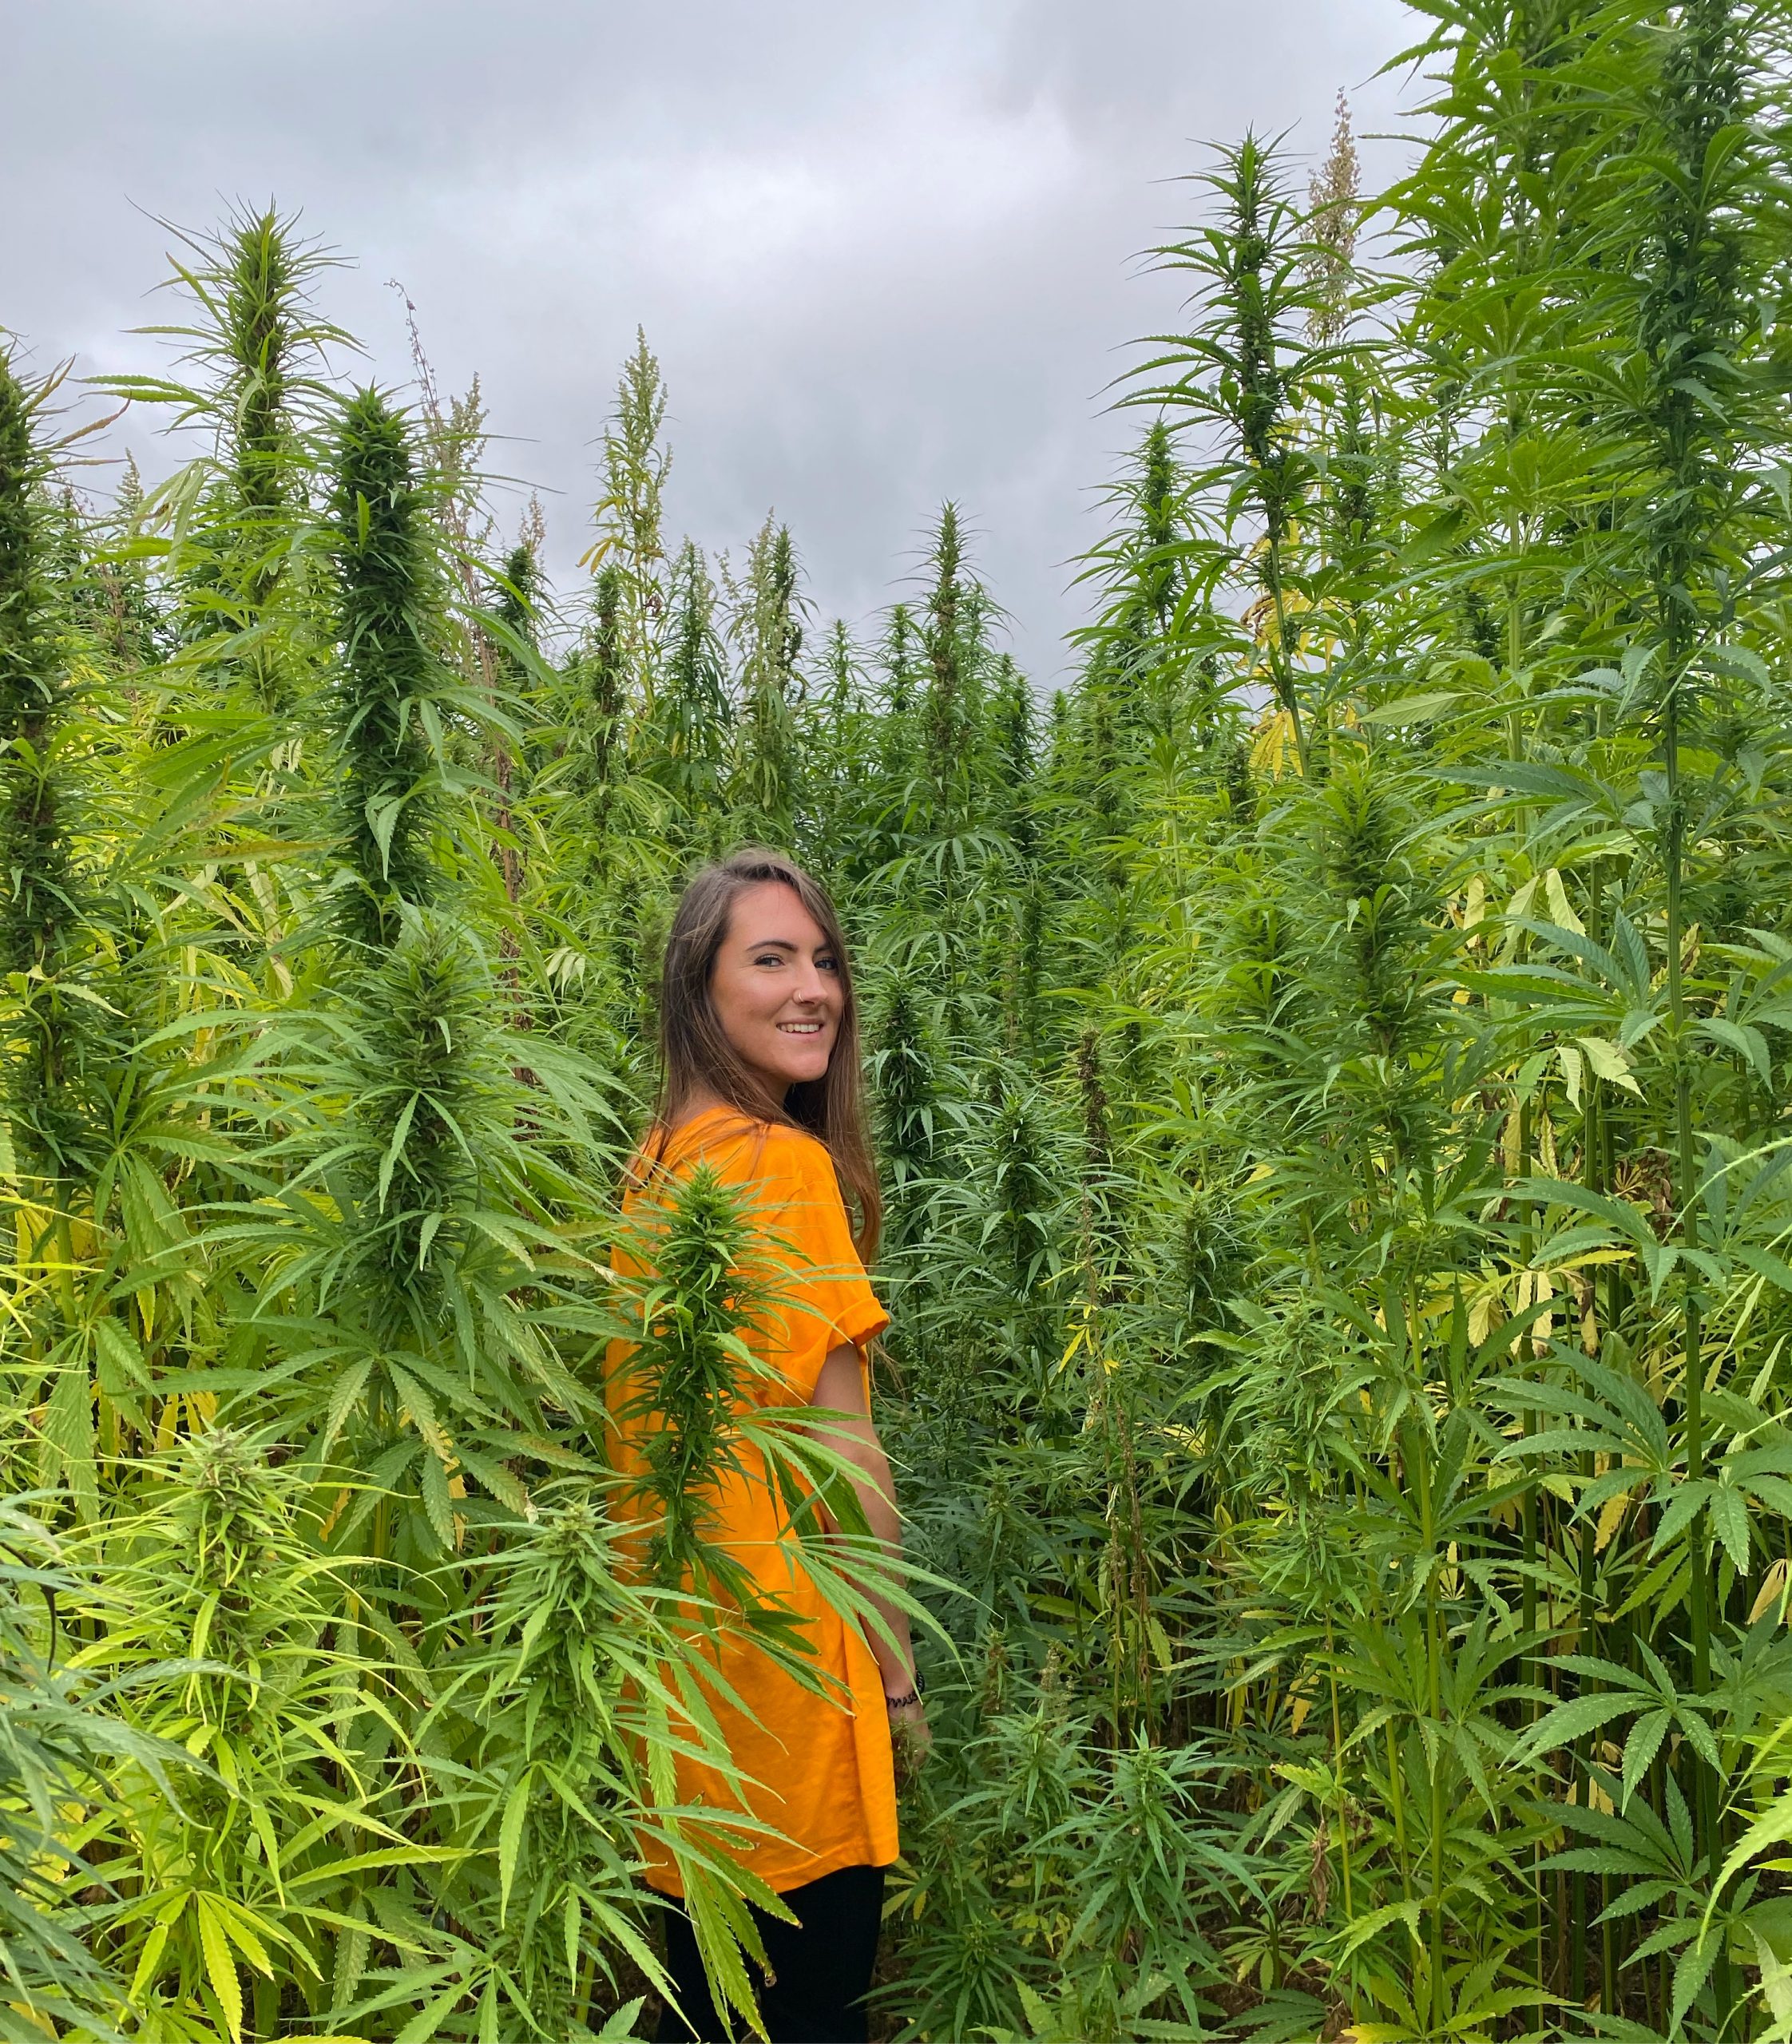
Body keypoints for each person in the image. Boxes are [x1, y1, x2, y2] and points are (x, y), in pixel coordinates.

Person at [605, 848, 928, 2044]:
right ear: (700, 989)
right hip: (791, 1691)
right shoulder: (781, 1167)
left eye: (827, 959)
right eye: (773, 958)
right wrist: (896, 1673)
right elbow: (847, 1455)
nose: (816, 990)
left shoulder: (655, 1171)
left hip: (680, 1698)